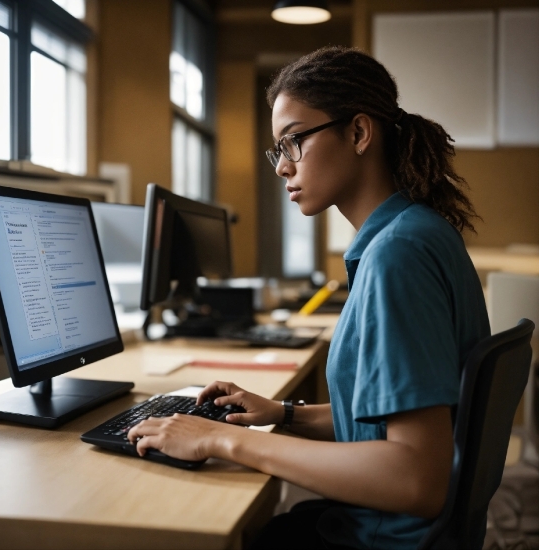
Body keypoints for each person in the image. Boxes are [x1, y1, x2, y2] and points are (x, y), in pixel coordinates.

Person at [128, 46, 490, 549]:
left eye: (293, 142)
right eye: (278, 150)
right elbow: (389, 422)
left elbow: (415, 478)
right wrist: (284, 414)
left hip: (386, 538)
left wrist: (221, 439)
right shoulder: (416, 232)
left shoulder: (398, 255)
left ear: (359, 133)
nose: (282, 167)